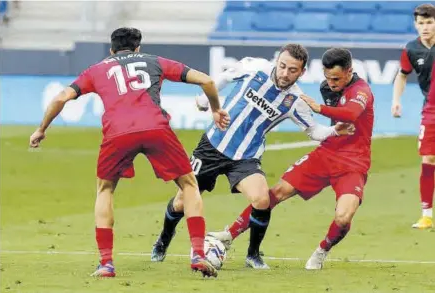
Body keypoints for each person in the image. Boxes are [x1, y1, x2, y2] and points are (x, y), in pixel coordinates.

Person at [29, 27, 230, 278]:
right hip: (156, 128)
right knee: (189, 185)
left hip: (117, 133)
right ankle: (199, 254)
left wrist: (41, 129)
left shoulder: (97, 69)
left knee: (105, 189)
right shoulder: (155, 61)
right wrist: (215, 109)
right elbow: (207, 81)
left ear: (111, 50)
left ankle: (106, 264)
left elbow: (61, 98)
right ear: (138, 48)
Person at [151, 44, 355, 269]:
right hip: (211, 147)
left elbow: (314, 132)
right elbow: (225, 76)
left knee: (262, 200)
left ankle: (253, 255)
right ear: (277, 61)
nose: (285, 73)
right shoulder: (255, 67)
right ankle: (163, 241)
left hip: (245, 157)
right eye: (282, 66)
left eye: (292, 70)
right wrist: (205, 101)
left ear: (302, 72)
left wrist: (335, 130)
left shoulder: (296, 101)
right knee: (181, 201)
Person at [210, 48, 374, 270]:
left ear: (349, 72)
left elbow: (352, 114)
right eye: (327, 77)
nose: (331, 83)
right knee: (275, 193)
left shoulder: (362, 91)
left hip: (354, 162)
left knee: (344, 217)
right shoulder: (327, 87)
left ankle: (321, 250)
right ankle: (229, 234)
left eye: (336, 78)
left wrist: (319, 108)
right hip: (326, 154)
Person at [391, 3, 435, 229]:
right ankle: (426, 214)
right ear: (415, 25)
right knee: (428, 159)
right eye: (421, 23)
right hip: (431, 111)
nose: (425, 27)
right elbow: (402, 76)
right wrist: (396, 100)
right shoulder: (411, 50)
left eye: (429, 22)